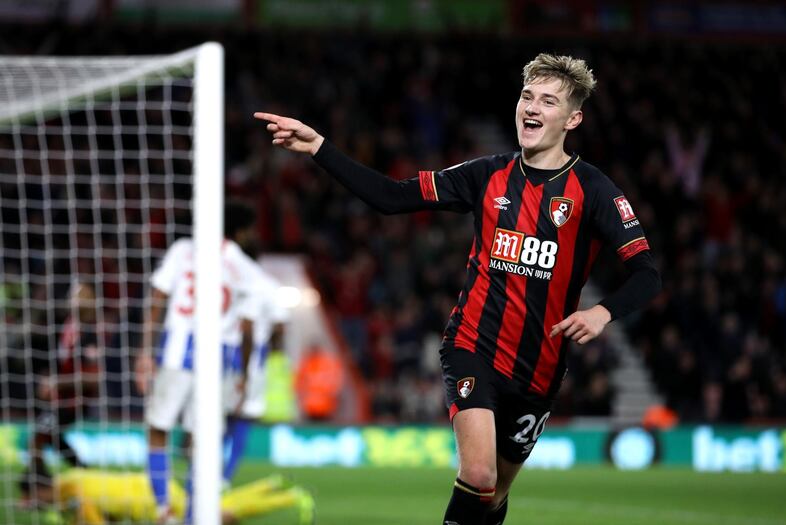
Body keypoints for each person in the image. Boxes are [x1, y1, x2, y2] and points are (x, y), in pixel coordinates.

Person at [255, 52, 661, 525]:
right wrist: (320, 146)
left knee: (492, 496)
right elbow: (392, 197)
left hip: (540, 369)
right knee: (479, 471)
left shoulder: (594, 191)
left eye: (548, 101)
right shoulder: (486, 174)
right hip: (473, 345)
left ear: (572, 119)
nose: (532, 107)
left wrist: (602, 312)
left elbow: (647, 274)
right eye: (527, 96)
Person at [134, 202, 263, 524]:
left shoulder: (183, 250)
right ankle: (195, 515)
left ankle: (163, 509)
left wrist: (144, 351)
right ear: (242, 231)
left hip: (178, 350)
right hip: (217, 360)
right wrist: (245, 374)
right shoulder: (246, 268)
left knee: (158, 428)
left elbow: (158, 299)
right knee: (203, 442)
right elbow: (247, 329)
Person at [22, 281, 101, 503]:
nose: (71, 300)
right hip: (60, 399)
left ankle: (34, 491)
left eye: (77, 296)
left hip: (74, 401)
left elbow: (93, 378)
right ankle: (87, 474)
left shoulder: (90, 334)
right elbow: (60, 363)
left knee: (38, 439)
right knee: (53, 440)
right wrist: (48, 380)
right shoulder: (67, 325)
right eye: (71, 295)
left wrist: (58, 383)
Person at [18, 468, 315, 525]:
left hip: (154, 500)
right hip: (151, 492)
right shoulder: (67, 484)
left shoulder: (68, 488)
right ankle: (270, 483)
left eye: (32, 496)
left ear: (39, 488)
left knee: (220, 517)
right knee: (217, 510)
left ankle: (289, 498)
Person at [222, 268, 289, 485]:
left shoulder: (228, 274)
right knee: (243, 418)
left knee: (220, 418)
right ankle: (224, 478)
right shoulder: (269, 286)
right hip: (249, 359)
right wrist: (273, 348)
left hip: (219, 353)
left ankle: (205, 475)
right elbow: (279, 326)